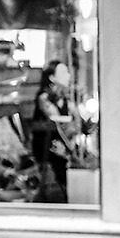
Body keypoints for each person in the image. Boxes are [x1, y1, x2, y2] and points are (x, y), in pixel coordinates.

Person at [30, 60, 74, 202]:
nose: (68, 76)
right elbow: (57, 120)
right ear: (52, 77)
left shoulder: (65, 100)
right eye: (63, 72)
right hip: (47, 146)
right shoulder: (44, 98)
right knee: (64, 158)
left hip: (62, 144)